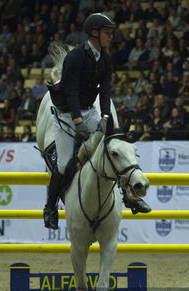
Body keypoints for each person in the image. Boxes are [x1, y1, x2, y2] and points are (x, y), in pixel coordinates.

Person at [44, 13, 151, 230]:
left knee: (115, 146)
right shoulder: (75, 57)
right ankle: (50, 208)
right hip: (66, 113)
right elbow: (71, 91)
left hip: (89, 110)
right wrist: (77, 119)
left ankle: (130, 197)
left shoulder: (104, 58)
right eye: (107, 32)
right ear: (94, 33)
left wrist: (104, 117)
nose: (111, 36)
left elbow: (106, 91)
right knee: (64, 163)